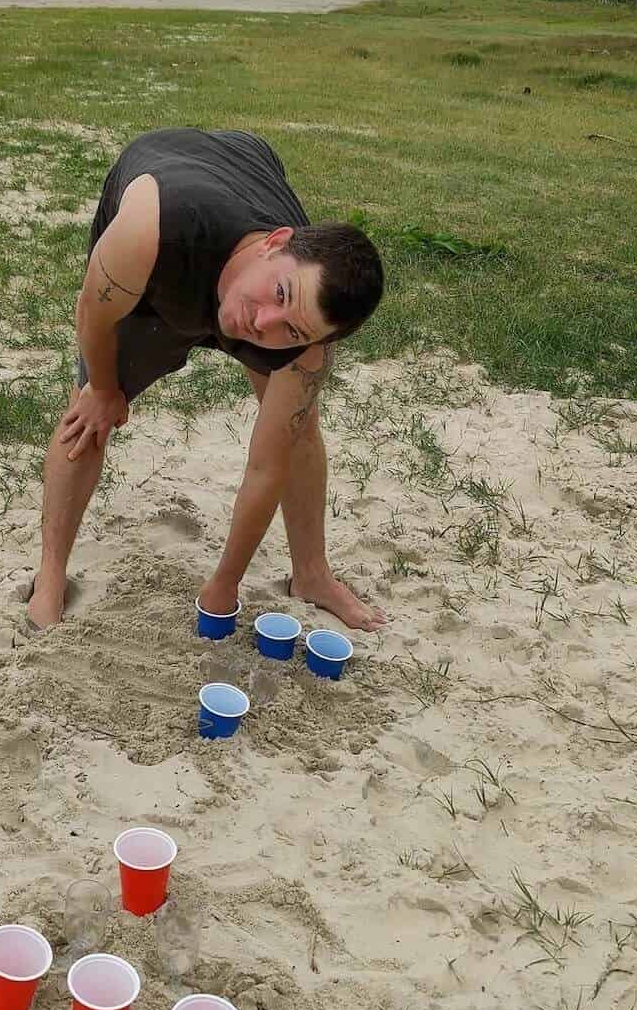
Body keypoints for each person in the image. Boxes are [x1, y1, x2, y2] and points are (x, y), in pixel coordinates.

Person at [27, 127, 386, 633]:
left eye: (292, 330)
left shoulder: (305, 343)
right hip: (171, 227)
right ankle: (49, 575)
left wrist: (225, 584)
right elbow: (92, 312)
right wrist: (106, 390)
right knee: (88, 412)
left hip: (247, 170)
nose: (264, 326)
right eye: (279, 294)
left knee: (298, 428)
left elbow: (266, 467)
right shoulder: (149, 232)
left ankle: (312, 574)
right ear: (276, 243)